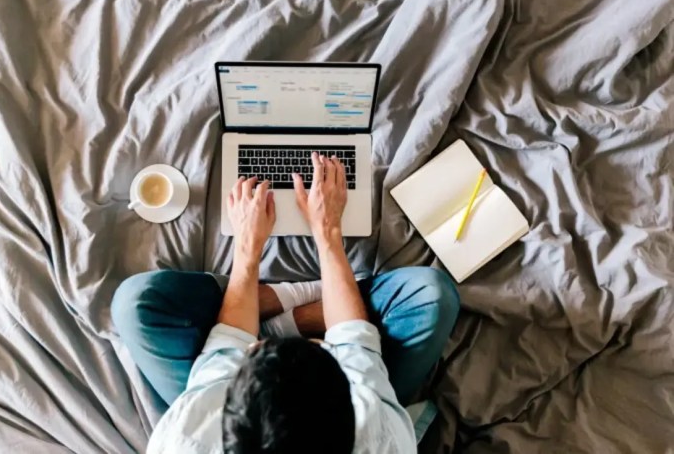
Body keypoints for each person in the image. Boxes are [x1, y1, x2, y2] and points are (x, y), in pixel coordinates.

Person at [111, 153, 460, 453]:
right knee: (432, 297)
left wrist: (247, 248)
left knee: (134, 304)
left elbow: (227, 346)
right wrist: (327, 234)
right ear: (351, 404)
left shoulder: (187, 437)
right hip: (348, 388)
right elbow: (353, 338)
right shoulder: (380, 436)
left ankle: (274, 310)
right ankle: (314, 304)